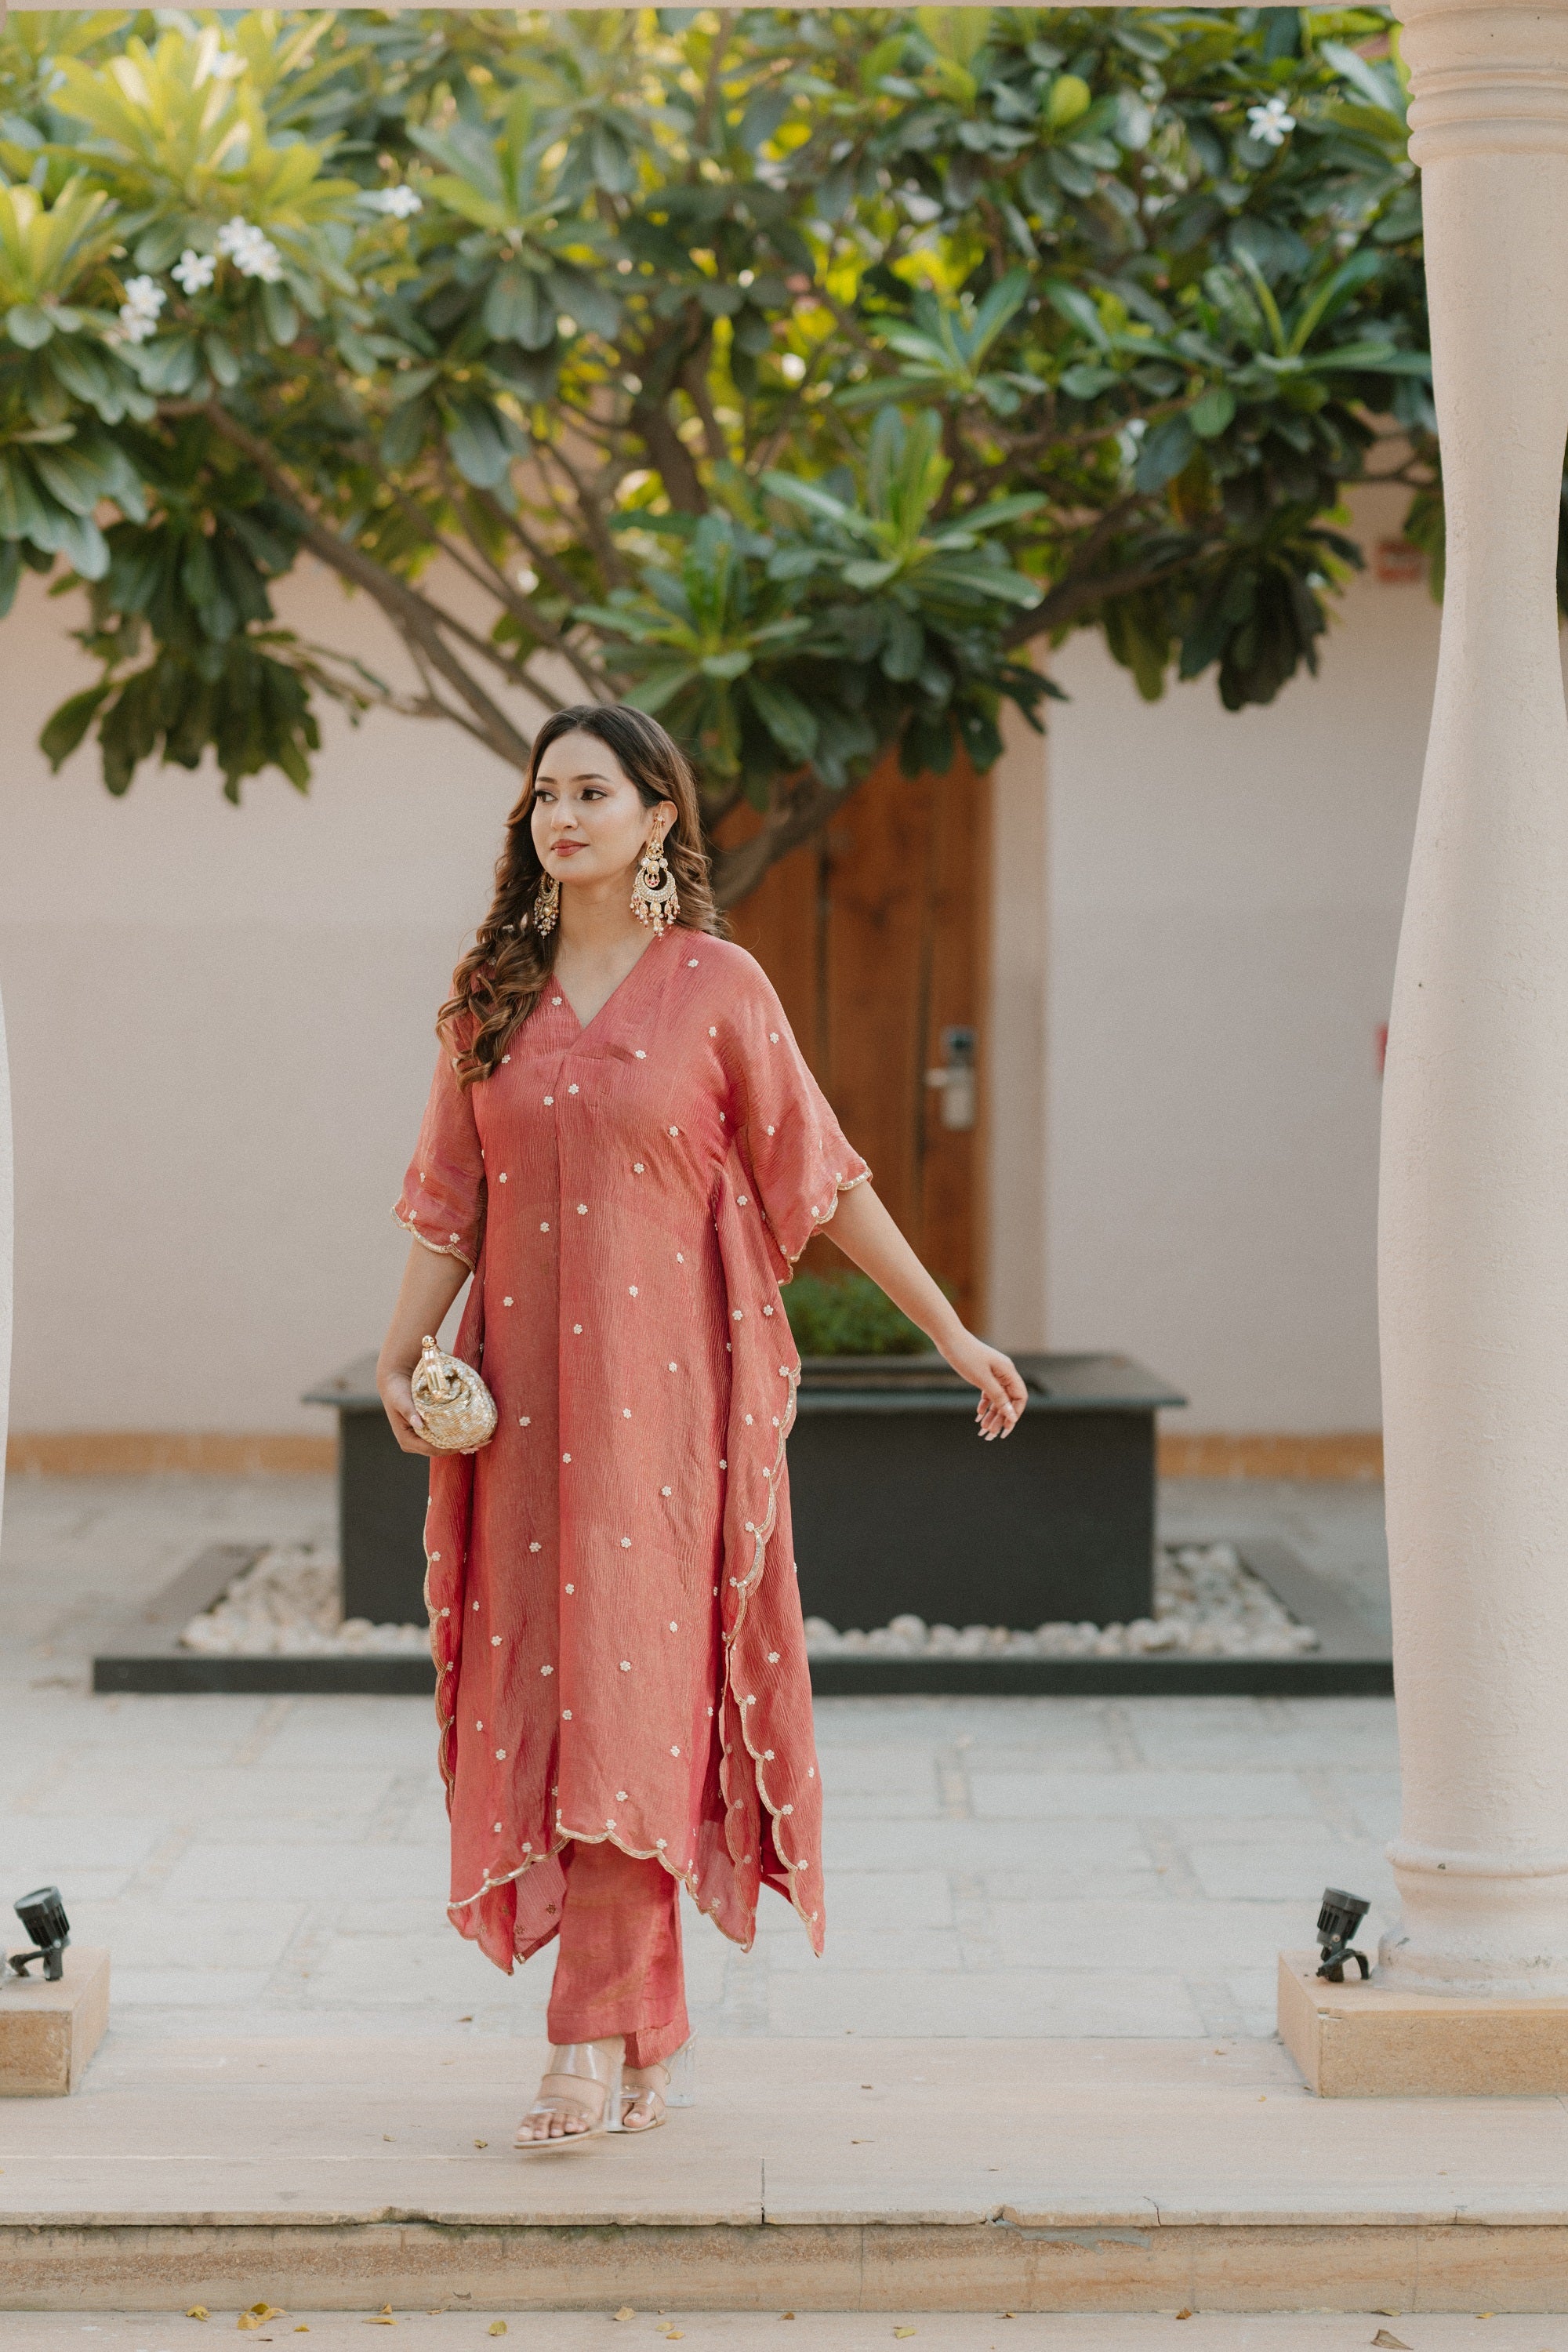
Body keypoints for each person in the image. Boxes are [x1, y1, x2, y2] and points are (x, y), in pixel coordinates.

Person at [377, 705, 1025, 2147]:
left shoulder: (720, 989)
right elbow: (447, 1200)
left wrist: (951, 1331)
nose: (561, 817)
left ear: (658, 815)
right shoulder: (490, 997)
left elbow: (826, 1181)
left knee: (631, 1691)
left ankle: (585, 2041)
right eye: (545, 795)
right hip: (519, 1413)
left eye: (592, 792)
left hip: (667, 1416)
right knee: (549, 1692)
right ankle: (645, 2022)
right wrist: (399, 1350)